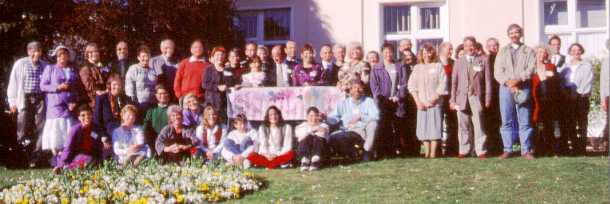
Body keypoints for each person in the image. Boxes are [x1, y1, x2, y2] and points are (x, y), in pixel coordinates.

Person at [494, 24, 536, 159]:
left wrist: (518, 80)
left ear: (521, 34)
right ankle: (508, 149)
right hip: (506, 89)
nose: (514, 35)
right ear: (508, 35)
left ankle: (525, 150)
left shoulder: (529, 51)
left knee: (524, 119)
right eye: (511, 33)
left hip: (523, 87)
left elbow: (531, 68)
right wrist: (509, 82)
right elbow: (498, 71)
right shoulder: (502, 51)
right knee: (506, 119)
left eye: (516, 32)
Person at [40, 46, 85, 162]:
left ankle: (66, 158)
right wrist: (57, 87)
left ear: (68, 57)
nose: (62, 57)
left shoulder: (73, 70)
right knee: (56, 133)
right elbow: (43, 86)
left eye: (65, 55)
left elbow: (78, 88)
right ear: (56, 57)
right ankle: (57, 159)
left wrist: (75, 101)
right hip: (56, 106)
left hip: (70, 107)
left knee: (68, 133)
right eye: (59, 55)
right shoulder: (50, 69)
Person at [449, 37, 492, 159]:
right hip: (461, 97)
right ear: (464, 47)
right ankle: (464, 149)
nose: (469, 48)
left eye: (471, 45)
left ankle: (481, 150)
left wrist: (487, 98)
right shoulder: (458, 62)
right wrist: (452, 100)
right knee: (463, 125)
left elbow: (488, 81)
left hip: (476, 96)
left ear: (475, 46)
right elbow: (454, 83)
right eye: (466, 45)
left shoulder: (483, 60)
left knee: (479, 124)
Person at [7, 41, 47, 166]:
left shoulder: (45, 65)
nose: (38, 53)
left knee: (40, 128)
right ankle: (21, 157)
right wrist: (12, 102)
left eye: (39, 50)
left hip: (40, 100)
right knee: (22, 128)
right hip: (24, 99)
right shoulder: (20, 64)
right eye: (35, 50)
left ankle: (35, 159)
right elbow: (13, 84)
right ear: (29, 51)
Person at [408, 43, 447, 158]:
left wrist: (434, 99)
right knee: (423, 128)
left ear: (433, 53)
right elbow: (411, 86)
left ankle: (433, 153)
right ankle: (427, 152)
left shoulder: (438, 66)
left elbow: (443, 84)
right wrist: (418, 102)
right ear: (421, 54)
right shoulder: (417, 68)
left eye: (429, 52)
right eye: (424, 53)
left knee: (434, 128)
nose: (426, 55)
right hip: (421, 104)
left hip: (435, 103)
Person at [327, 79, 379, 161]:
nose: (357, 90)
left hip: (363, 130)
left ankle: (367, 151)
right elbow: (333, 118)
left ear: (363, 89)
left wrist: (361, 117)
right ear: (350, 90)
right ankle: (354, 155)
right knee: (335, 137)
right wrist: (325, 118)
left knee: (373, 124)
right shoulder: (343, 103)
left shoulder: (369, 101)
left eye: (360, 88)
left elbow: (376, 116)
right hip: (348, 130)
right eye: (354, 88)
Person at [558, 43, 593, 156]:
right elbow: (561, 82)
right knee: (571, 123)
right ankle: (574, 148)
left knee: (582, 124)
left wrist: (576, 94)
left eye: (578, 50)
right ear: (570, 52)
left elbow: (587, 81)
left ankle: (581, 149)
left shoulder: (586, 65)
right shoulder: (566, 66)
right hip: (567, 97)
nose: (576, 52)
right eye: (573, 50)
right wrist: (566, 94)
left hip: (581, 97)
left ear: (581, 51)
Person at [369, 43, 401, 158]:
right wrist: (382, 99)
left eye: (390, 52)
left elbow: (402, 83)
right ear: (382, 53)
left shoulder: (398, 66)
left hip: (396, 102)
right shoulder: (376, 68)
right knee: (383, 127)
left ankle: (394, 151)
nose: (388, 54)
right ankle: (382, 152)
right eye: (386, 52)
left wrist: (397, 96)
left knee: (396, 128)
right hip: (382, 103)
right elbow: (374, 86)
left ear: (394, 52)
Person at [531, 45, 561, 156]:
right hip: (534, 100)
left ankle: (550, 150)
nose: (541, 54)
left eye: (543, 52)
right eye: (539, 52)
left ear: (546, 55)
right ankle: (537, 149)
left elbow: (556, 83)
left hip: (548, 100)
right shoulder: (531, 67)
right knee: (536, 125)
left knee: (548, 125)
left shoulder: (551, 66)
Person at [54, 105, 103, 173]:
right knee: (89, 160)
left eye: (89, 114)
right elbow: (68, 148)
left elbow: (99, 145)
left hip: (92, 156)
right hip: (76, 156)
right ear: (79, 118)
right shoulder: (75, 130)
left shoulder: (96, 129)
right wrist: (61, 165)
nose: (86, 117)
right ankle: (67, 168)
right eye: (83, 115)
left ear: (92, 115)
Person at [202, 46, 235, 118]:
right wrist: (217, 87)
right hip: (212, 100)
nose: (220, 57)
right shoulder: (209, 69)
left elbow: (231, 83)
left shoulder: (227, 69)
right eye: (217, 55)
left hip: (225, 101)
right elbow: (204, 84)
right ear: (213, 57)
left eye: (222, 55)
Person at [438, 41, 458, 157]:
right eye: (449, 49)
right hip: (439, 97)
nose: (451, 51)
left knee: (452, 122)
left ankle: (452, 150)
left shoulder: (454, 63)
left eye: (452, 49)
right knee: (438, 122)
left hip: (450, 97)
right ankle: (438, 150)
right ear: (442, 50)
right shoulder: (435, 62)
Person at [398, 50, 419, 157]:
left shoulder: (417, 67)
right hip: (403, 101)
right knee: (404, 126)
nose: (407, 57)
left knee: (414, 125)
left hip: (415, 100)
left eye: (409, 55)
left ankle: (415, 149)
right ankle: (405, 149)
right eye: (405, 56)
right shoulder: (401, 68)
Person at [125, 45, 158, 112]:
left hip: (152, 104)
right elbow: (129, 86)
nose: (145, 58)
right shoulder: (134, 68)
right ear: (138, 57)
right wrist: (131, 102)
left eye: (147, 56)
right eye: (143, 56)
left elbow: (156, 87)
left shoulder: (153, 71)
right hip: (139, 103)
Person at [295, 107, 329, 171]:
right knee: (306, 138)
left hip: (320, 151)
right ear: (307, 117)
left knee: (317, 138)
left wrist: (309, 132)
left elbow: (322, 135)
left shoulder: (324, 125)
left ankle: (315, 161)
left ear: (319, 117)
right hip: (304, 150)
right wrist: (314, 129)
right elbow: (300, 137)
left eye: (316, 116)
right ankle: (305, 161)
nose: (313, 118)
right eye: (311, 116)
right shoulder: (301, 126)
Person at [485, 37, 503, 155]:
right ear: (487, 47)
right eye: (491, 45)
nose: (493, 47)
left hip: (500, 93)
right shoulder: (484, 59)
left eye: (495, 45)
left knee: (500, 122)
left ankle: (500, 147)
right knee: (489, 123)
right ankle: (490, 147)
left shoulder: (502, 59)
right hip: (488, 95)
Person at [143, 85, 173, 153]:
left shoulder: (172, 108)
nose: (162, 95)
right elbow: (146, 123)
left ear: (168, 94)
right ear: (156, 95)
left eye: (165, 93)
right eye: (160, 94)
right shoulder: (152, 109)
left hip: (168, 139)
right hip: (154, 139)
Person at [79, 43, 108, 107]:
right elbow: (88, 86)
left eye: (96, 51)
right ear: (87, 54)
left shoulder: (103, 67)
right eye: (91, 52)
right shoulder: (85, 69)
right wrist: (98, 91)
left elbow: (108, 80)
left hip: (105, 99)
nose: (94, 54)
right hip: (93, 102)